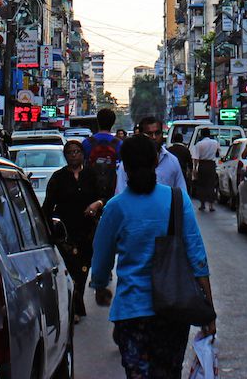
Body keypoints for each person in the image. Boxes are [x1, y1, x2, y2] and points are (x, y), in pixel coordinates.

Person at [92, 135, 215, 379]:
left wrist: (100, 285)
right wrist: (208, 311)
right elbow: (198, 259)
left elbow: (102, 259)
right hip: (173, 311)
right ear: (156, 160)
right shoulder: (177, 200)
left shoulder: (116, 207)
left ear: (124, 166)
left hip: (132, 313)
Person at [43, 139, 107, 322]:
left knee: (83, 268)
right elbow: (48, 205)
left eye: (77, 151)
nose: (74, 155)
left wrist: (97, 204)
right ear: (65, 155)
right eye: (70, 152)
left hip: (88, 231)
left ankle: (77, 302)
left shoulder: (92, 175)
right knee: (71, 269)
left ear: (82, 154)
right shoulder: (58, 177)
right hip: (66, 233)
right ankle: (74, 308)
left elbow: (104, 196)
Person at [115, 115, 190, 197]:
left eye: (157, 133)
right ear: (141, 135)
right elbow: (120, 194)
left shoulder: (172, 161)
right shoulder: (128, 163)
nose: (154, 137)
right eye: (149, 134)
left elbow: (182, 192)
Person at [85, 108, 123, 189]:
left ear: (98, 121)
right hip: (113, 187)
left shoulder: (87, 142)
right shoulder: (119, 144)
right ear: (113, 123)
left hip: (91, 187)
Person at [190, 129, 220, 211]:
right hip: (211, 165)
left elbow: (195, 158)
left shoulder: (199, 144)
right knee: (211, 185)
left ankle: (202, 204)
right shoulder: (215, 143)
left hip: (202, 165)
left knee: (202, 185)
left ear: (202, 135)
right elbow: (218, 153)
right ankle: (211, 205)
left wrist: (195, 169)